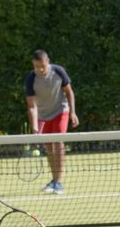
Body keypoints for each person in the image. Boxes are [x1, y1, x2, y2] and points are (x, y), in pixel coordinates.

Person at [24, 50, 79, 194]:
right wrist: (35, 128)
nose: (40, 69)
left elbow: (69, 92)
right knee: (49, 148)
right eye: (36, 66)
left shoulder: (59, 71)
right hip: (43, 115)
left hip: (61, 111)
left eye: (42, 66)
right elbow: (31, 106)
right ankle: (54, 180)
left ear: (48, 61)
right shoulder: (31, 79)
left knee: (58, 142)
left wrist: (72, 112)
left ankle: (58, 182)